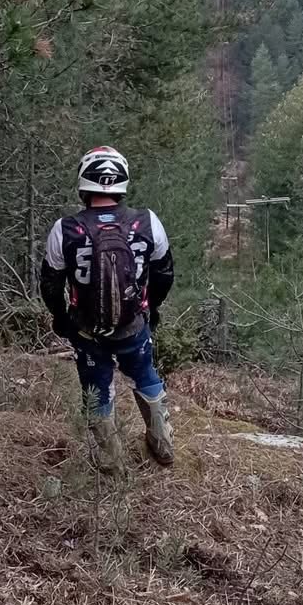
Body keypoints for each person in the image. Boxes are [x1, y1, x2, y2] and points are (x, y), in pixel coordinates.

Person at [40, 145, 176, 470]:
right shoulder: (147, 221)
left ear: (84, 182)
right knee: (145, 374)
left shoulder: (65, 228)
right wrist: (152, 308)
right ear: (122, 181)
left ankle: (110, 463)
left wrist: (60, 317)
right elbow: (165, 273)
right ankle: (163, 445)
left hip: (87, 330)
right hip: (133, 325)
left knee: (96, 389)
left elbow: (49, 284)